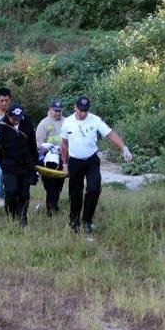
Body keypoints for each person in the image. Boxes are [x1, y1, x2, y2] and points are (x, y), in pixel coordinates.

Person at [60, 95, 134, 233]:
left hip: (91, 160)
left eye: (85, 111)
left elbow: (110, 134)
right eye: (80, 110)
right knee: (75, 193)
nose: (83, 113)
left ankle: (87, 220)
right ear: (75, 108)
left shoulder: (95, 120)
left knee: (94, 189)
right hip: (75, 161)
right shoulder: (67, 122)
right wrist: (64, 164)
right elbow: (64, 144)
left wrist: (124, 148)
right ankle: (74, 222)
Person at [36, 100, 65, 217]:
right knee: (50, 185)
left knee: (59, 184)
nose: (58, 113)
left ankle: (54, 203)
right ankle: (50, 209)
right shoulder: (43, 123)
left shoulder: (66, 122)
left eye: (59, 111)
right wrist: (48, 148)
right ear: (50, 109)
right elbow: (38, 143)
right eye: (55, 110)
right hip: (48, 160)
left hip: (63, 158)